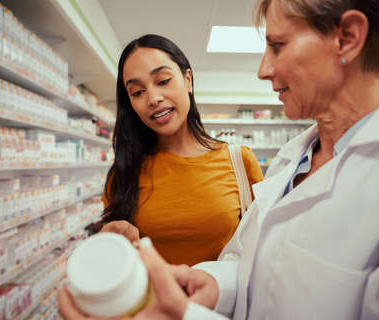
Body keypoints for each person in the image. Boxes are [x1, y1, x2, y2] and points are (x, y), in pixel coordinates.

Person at [58, 0, 379, 319]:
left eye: (277, 45)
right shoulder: (291, 160)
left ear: (347, 38)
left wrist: (181, 314)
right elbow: (251, 263)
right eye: (136, 92)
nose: (263, 69)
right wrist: (216, 285)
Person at [97, 34, 263, 266]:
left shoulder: (239, 161)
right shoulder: (123, 173)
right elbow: (113, 264)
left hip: (223, 302)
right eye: (137, 92)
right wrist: (109, 241)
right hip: (151, 302)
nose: (153, 98)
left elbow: (260, 249)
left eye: (163, 81)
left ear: (188, 80)